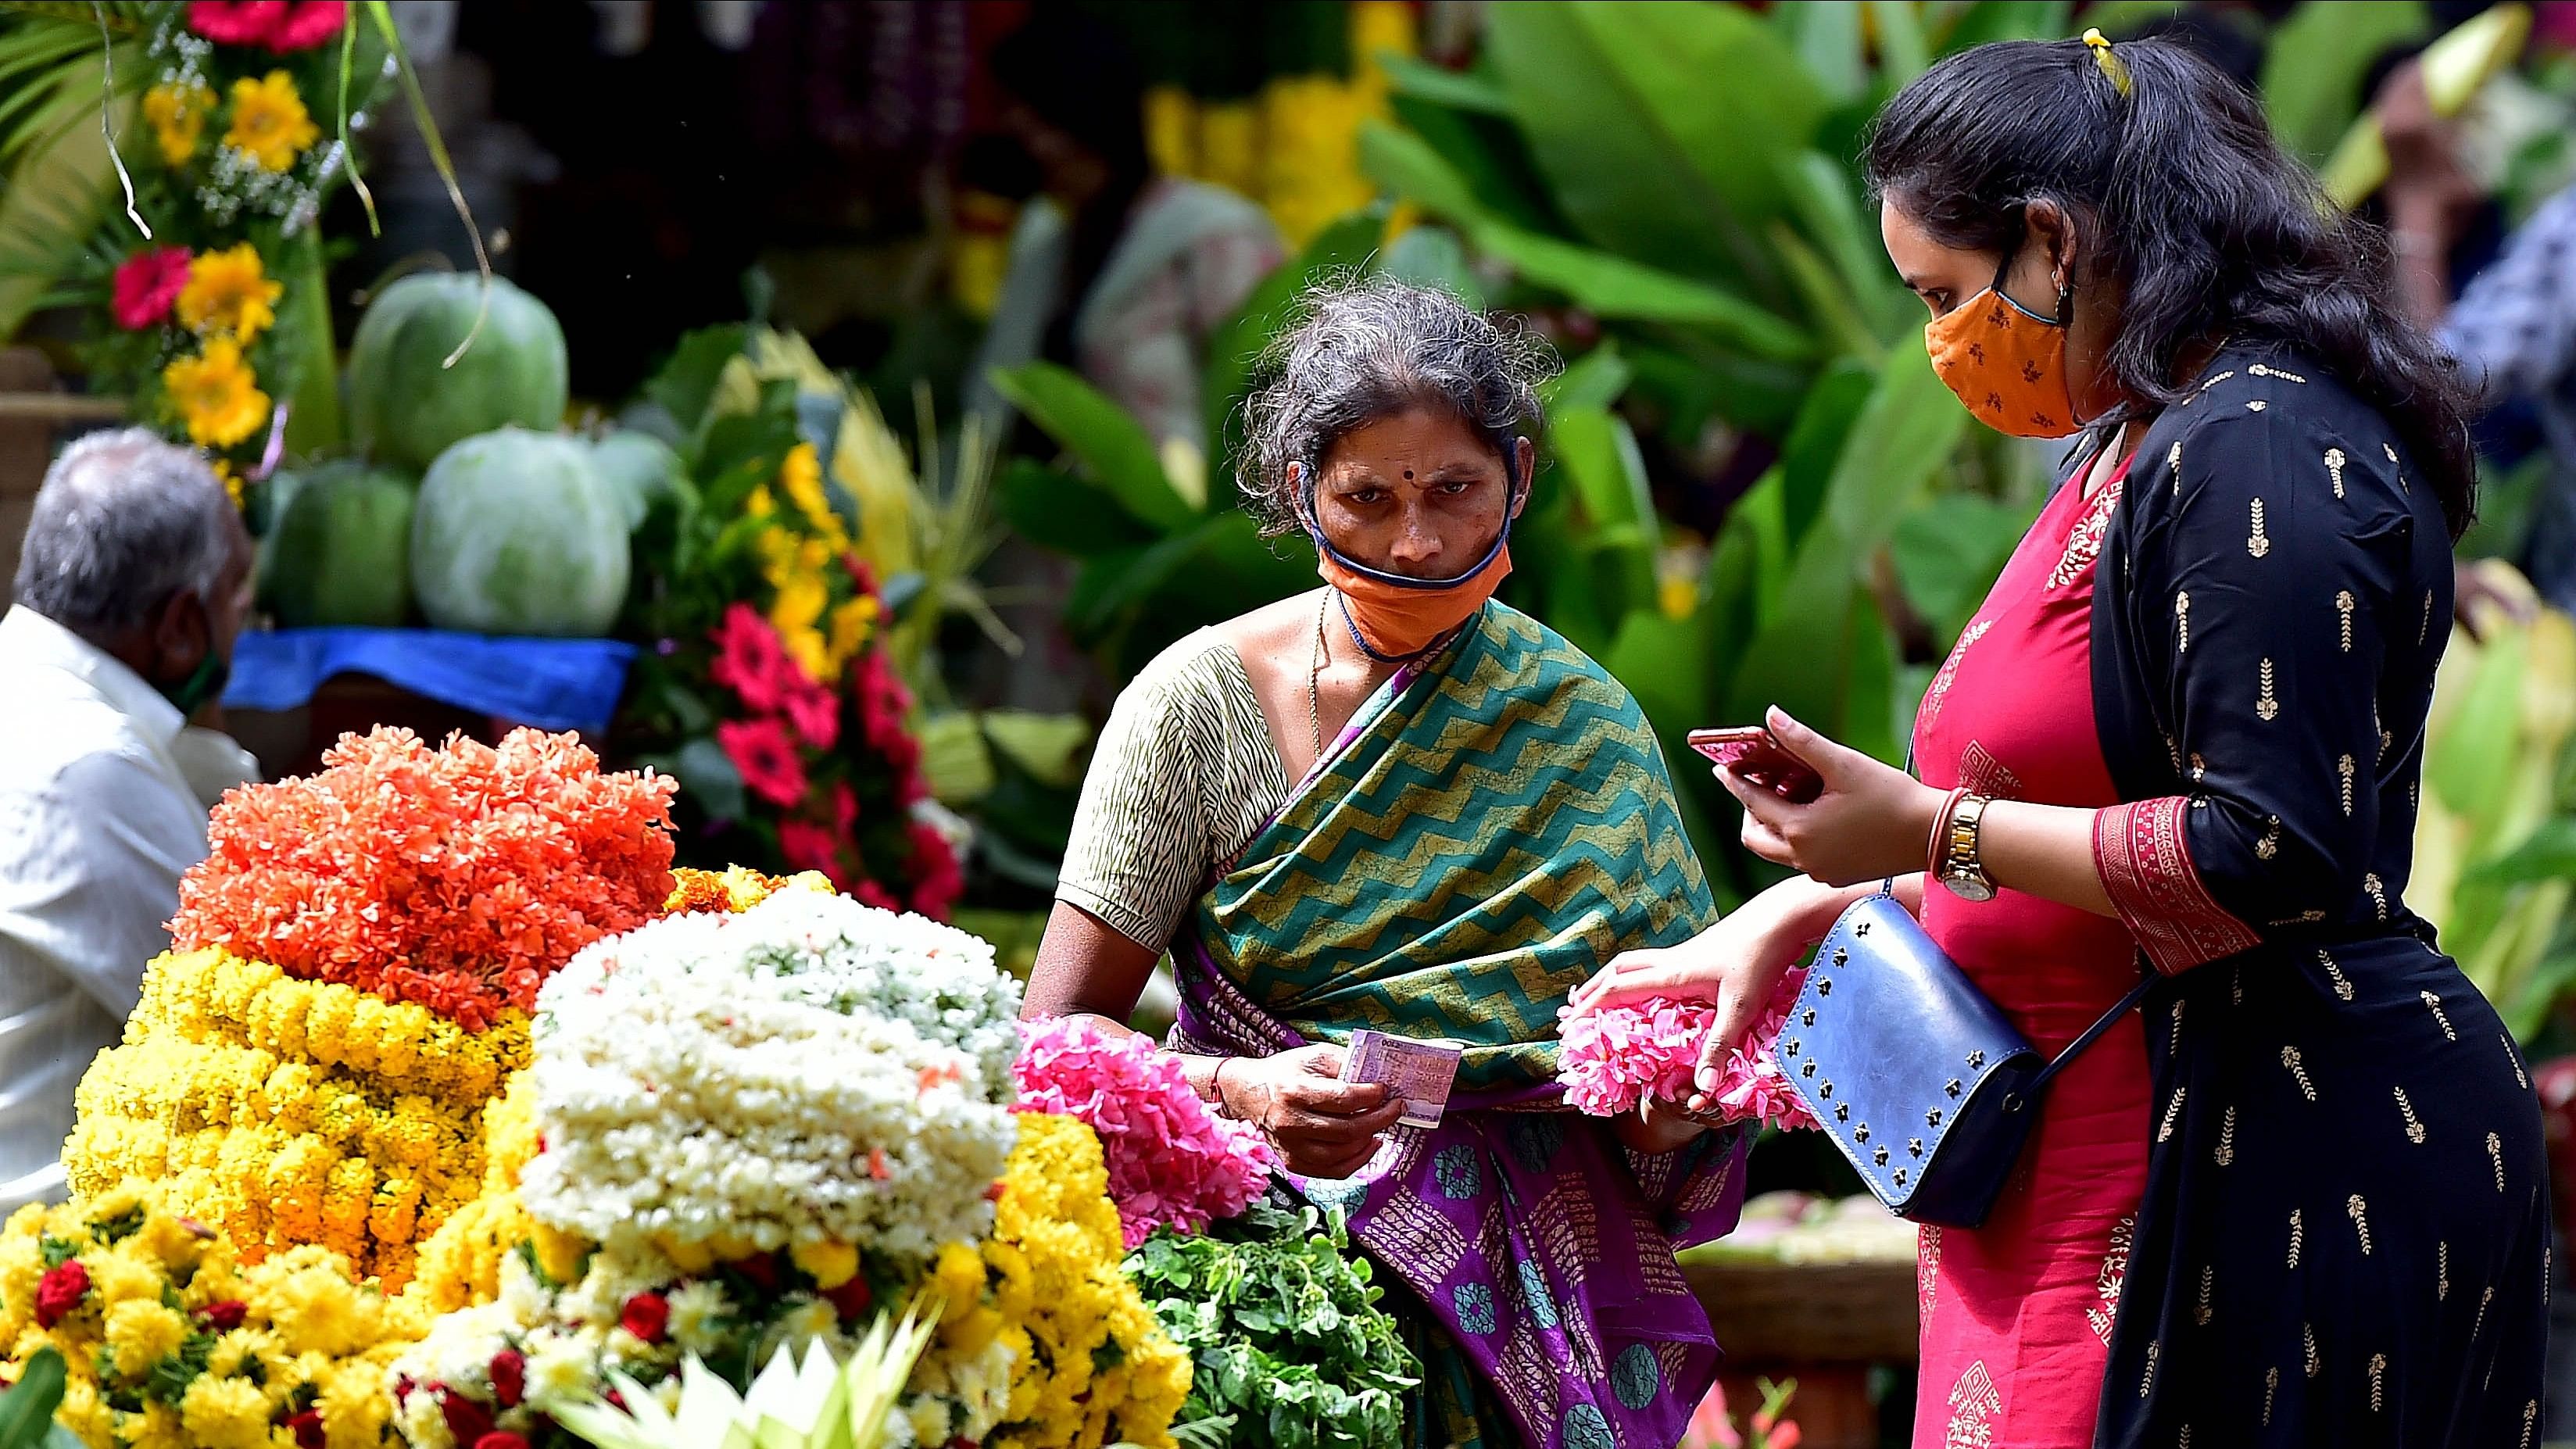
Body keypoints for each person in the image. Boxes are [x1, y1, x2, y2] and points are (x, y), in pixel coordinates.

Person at [1569, 33, 2544, 1449]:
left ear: (2052, 240)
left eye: (1948, 295)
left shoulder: (2257, 449)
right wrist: (1817, 896)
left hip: (2261, 1160)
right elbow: (2082, 805)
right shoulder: (2136, 435)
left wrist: (1928, 829)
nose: (1942, 342)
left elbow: (2267, 849)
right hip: (2076, 1158)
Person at [1024, 277, 1744, 1449]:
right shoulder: (1194, 708)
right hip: (1254, 1301)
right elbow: (1053, 1040)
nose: (1416, 541)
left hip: (1532, 1301)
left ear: (1514, 478)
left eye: (1455, 490)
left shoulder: (1582, 725)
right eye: (1368, 498)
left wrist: (1671, 1109)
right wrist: (1240, 1093)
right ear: (1299, 492)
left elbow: (1668, 1072)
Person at [0, 429, 257, 1214]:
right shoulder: (94, 765)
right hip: (40, 1268)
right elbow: (244, 1022)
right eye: (239, 603)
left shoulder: (32, 697)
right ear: (181, 627)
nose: (246, 629)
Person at [964, 7, 1283, 451]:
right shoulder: (1048, 246)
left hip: (1179, 516)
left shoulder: (1212, 237)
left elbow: (1271, 404)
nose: (1016, 139)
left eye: (1029, 121)